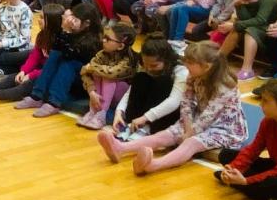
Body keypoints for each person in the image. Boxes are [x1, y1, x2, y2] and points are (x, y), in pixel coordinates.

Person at [97, 41, 247, 176]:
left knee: (191, 143)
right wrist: (186, 126)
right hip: (198, 118)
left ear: (206, 67)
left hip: (224, 128)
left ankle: (153, 165)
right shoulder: (193, 76)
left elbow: (208, 117)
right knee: (167, 134)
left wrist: (189, 134)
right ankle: (121, 148)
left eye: (190, 62)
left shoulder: (225, 87)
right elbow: (186, 102)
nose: (185, 64)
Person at [0, 3, 64, 104]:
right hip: (39, 69)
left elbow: (51, 68)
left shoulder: (59, 42)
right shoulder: (42, 35)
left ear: (52, 22)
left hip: (49, 75)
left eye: (42, 18)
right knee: (14, 77)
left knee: (26, 85)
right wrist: (24, 71)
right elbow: (35, 56)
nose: (39, 20)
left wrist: (31, 75)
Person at [18, 3, 103, 118]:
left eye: (75, 19)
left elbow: (70, 54)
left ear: (87, 23)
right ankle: (36, 96)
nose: (71, 21)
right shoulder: (75, 32)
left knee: (69, 63)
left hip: (84, 81)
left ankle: (54, 102)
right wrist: (64, 31)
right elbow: (57, 47)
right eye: (72, 17)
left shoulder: (93, 40)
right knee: (55, 54)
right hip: (66, 77)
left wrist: (67, 32)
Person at [111, 34, 189, 140]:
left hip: (166, 117)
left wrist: (145, 118)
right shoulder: (146, 65)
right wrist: (119, 112)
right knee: (140, 77)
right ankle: (132, 125)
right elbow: (131, 92)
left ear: (166, 61)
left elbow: (174, 101)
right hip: (145, 114)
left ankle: (147, 128)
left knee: (163, 81)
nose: (148, 68)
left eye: (154, 65)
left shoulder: (181, 70)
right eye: (145, 64)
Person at [218, 0, 277, 81]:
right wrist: (239, 7)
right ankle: (218, 59)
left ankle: (247, 69)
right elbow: (245, 19)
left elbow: (260, 20)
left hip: (274, 28)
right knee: (238, 29)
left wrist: (234, 25)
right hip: (260, 27)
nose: (245, 2)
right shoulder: (245, 1)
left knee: (249, 31)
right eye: (241, 0)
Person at [77, 22, 139, 130]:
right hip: (104, 96)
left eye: (108, 39)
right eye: (104, 37)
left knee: (107, 77)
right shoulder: (102, 54)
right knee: (98, 74)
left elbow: (110, 73)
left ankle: (101, 115)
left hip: (122, 98)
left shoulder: (128, 60)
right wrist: (91, 92)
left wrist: (90, 68)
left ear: (120, 46)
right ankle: (93, 112)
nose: (103, 40)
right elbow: (84, 72)